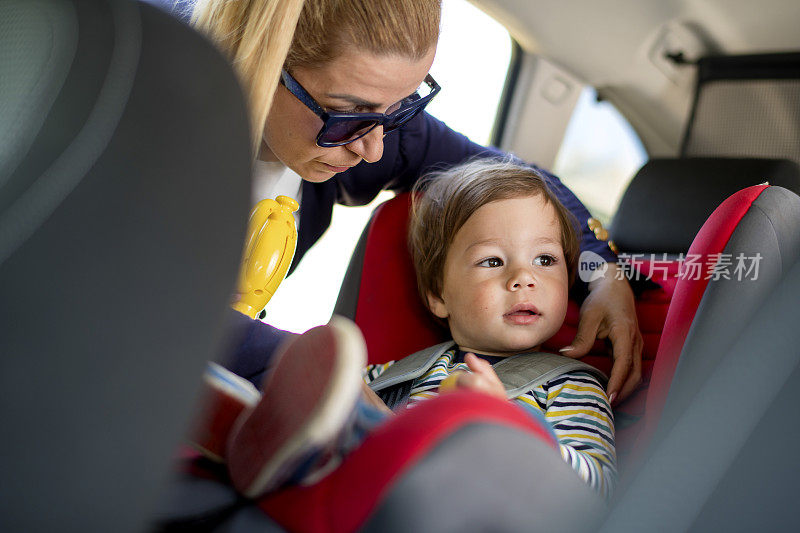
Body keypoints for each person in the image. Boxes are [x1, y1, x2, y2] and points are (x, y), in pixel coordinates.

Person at [187, 0, 641, 404]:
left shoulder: (365, 130)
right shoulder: (136, 138)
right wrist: (298, 368)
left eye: (402, 107)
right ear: (266, 59)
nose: (375, 150)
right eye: (348, 117)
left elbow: (518, 183)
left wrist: (600, 272)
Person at [219, 159, 616, 501]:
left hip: (473, 511)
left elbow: (592, 491)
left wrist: (508, 427)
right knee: (337, 397)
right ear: (438, 295)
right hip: (371, 498)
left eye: (545, 259)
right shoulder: (400, 372)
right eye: (493, 262)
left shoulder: (571, 388)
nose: (523, 278)